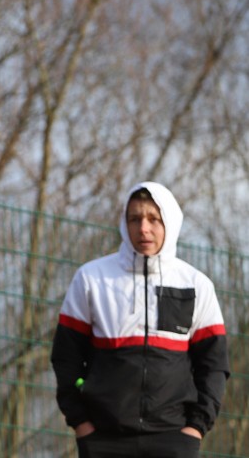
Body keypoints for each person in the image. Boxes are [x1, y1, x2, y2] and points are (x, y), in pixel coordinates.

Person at [51, 181, 229, 458]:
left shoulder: (196, 284)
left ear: (170, 222)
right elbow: (65, 357)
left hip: (175, 439)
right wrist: (82, 423)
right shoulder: (91, 278)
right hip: (103, 439)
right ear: (125, 223)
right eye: (135, 218)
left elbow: (214, 365)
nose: (143, 228)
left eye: (153, 219)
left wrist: (197, 427)